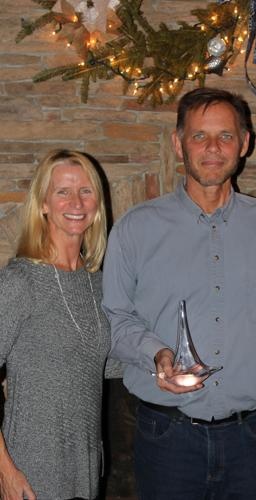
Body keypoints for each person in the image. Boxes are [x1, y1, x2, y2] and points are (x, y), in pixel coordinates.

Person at [102, 87, 256, 500]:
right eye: (199, 136)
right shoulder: (135, 229)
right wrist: (157, 354)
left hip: (255, 437)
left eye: (225, 136)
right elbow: (116, 318)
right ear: (178, 143)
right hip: (167, 437)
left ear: (244, 143)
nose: (213, 148)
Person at [0, 149, 111, 499]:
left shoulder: (98, 283)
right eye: (62, 191)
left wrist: (161, 363)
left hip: (86, 468)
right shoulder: (20, 281)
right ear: (44, 204)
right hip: (31, 473)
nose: (76, 201)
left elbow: (100, 361)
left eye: (86, 190)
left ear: (97, 203)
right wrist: (6, 472)